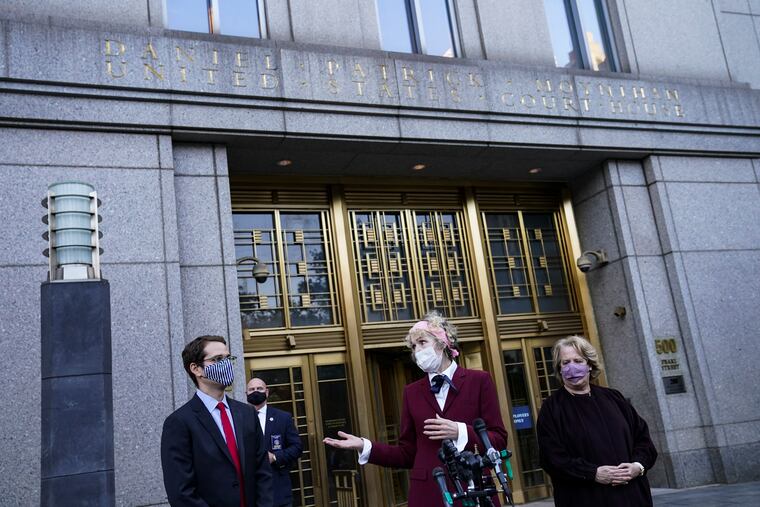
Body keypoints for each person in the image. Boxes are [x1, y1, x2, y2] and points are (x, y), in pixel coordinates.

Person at [323, 311, 508, 507]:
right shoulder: (411, 392)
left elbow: (499, 439)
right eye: (413, 346)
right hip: (427, 494)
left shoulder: (479, 381)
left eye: (422, 342)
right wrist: (364, 446)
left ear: (443, 342)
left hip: (474, 490)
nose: (417, 351)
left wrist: (460, 431)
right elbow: (407, 454)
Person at [537, 335, 658, 507]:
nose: (572, 367)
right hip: (585, 498)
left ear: (589, 364)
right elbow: (552, 458)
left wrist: (637, 466)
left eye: (578, 361)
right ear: (559, 368)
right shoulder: (552, 409)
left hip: (632, 496)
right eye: (566, 362)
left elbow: (643, 440)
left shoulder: (613, 398)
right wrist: (593, 473)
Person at [160, 335, 273, 507]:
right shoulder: (179, 422)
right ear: (196, 369)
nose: (226, 364)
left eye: (228, 358)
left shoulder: (247, 413)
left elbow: (262, 471)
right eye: (218, 359)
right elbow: (181, 492)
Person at [246, 377, 303, 507]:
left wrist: (275, 457)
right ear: (246, 394)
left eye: (259, 388)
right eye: (252, 389)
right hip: (251, 491)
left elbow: (297, 447)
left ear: (266, 392)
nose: (255, 391)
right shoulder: (239, 418)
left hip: (278, 490)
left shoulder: (283, 417)